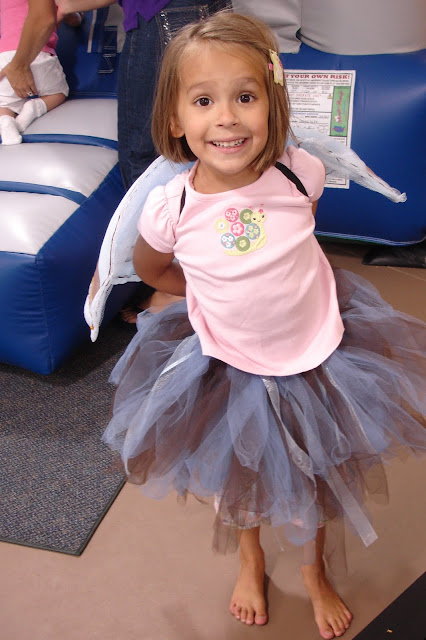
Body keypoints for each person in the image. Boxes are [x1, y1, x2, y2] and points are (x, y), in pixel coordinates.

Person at [101, 12, 426, 638]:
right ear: (175, 119)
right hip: (230, 367)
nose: (226, 118)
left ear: (273, 105)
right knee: (241, 477)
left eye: (245, 97)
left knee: (319, 475)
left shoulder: (299, 171)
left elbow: (296, 236)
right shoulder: (172, 206)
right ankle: (250, 558)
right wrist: (210, 291)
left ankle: (312, 568)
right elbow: (152, 269)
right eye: (203, 101)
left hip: (319, 356)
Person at [0, 0, 83, 145]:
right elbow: (72, 17)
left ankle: (6, 122)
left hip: (5, 56)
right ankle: (34, 108)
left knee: (4, 104)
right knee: (59, 93)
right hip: (39, 52)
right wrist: (78, 16)